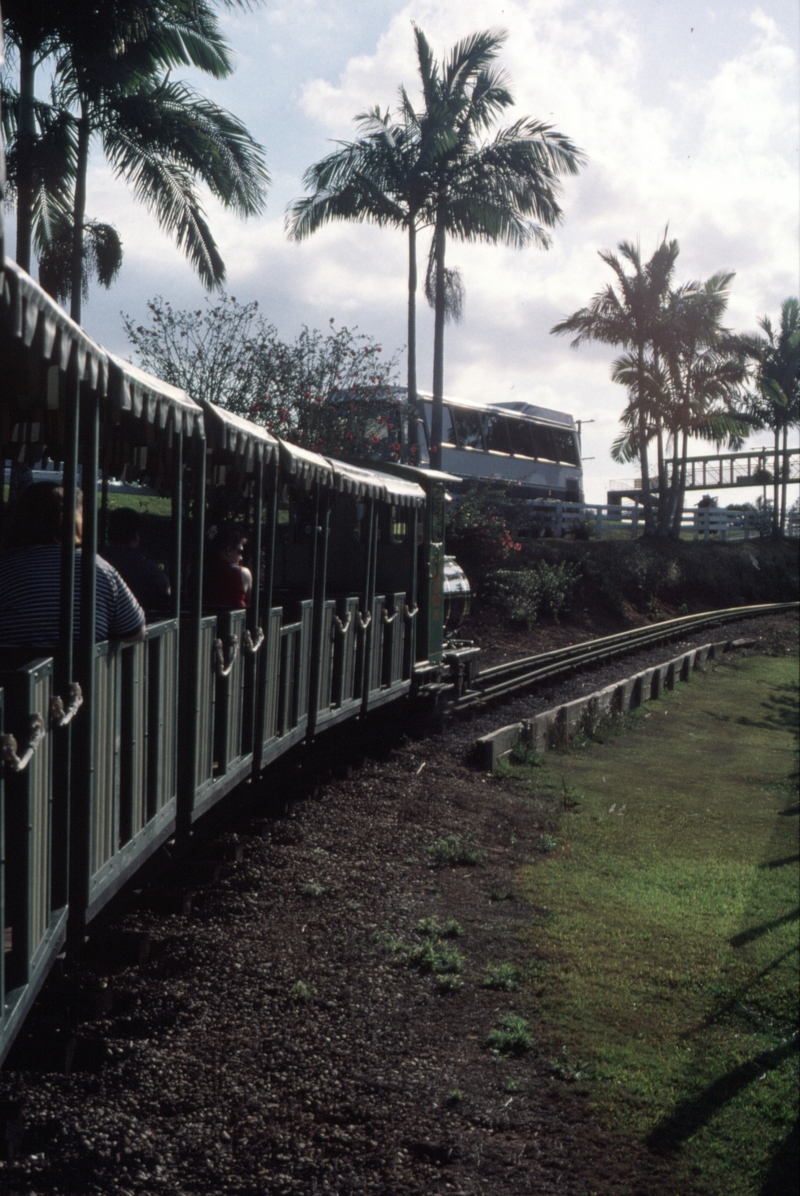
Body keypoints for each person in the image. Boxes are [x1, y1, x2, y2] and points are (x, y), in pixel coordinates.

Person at [0, 482, 145, 648]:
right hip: (81, 672)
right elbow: (136, 631)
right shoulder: (98, 568)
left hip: (14, 669)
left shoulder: (5, 567)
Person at [101, 506, 171, 614]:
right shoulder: (149, 572)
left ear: (109, 534)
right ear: (136, 537)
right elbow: (165, 592)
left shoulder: (91, 565)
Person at [205, 524, 252, 608]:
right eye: (240, 552)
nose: (241, 558)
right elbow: (250, 606)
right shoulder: (241, 573)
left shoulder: (194, 573)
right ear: (229, 550)